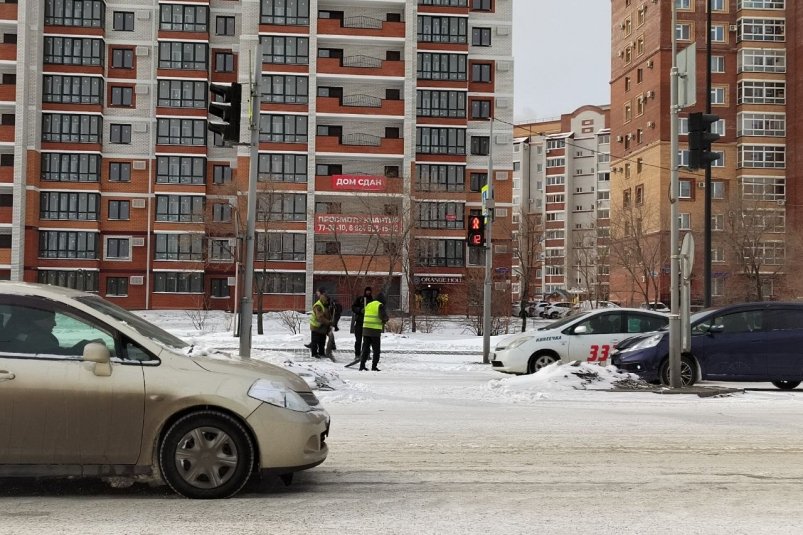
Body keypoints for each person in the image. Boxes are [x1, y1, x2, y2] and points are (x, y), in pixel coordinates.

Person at [358, 292, 389, 371]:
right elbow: (383, 316)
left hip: (365, 330)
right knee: (376, 350)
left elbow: (362, 311)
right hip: (374, 331)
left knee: (365, 349)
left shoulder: (369, 304)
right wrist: (386, 319)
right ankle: (374, 366)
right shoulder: (380, 305)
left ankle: (362, 365)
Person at [345, 287, 373, 368]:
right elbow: (353, 307)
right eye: (367, 291)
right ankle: (357, 354)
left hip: (368, 323)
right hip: (359, 323)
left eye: (369, 291)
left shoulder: (372, 301)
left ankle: (366, 354)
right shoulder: (360, 299)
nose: (368, 292)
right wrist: (360, 310)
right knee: (358, 340)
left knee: (367, 341)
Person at [308, 290, 331, 358]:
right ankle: (314, 353)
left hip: (322, 326)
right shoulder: (318, 306)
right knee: (315, 341)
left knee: (322, 340)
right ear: (324, 300)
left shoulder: (325, 305)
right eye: (327, 300)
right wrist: (328, 322)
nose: (328, 302)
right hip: (316, 326)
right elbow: (320, 317)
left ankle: (321, 353)